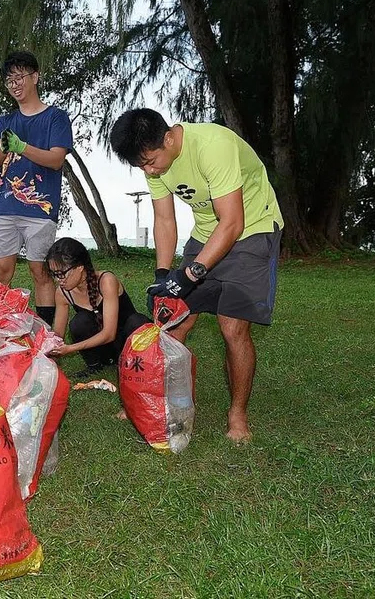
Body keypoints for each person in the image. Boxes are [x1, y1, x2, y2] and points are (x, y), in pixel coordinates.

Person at [109, 108, 284, 442]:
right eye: (141, 166)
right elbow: (164, 220)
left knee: (232, 327)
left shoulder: (212, 145)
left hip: (253, 230)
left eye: (150, 161)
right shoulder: (153, 162)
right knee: (175, 318)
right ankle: (167, 404)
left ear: (169, 137)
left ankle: (237, 414)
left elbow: (233, 222)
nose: (149, 170)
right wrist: (164, 275)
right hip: (207, 234)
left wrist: (190, 274)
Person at [0, 51, 73, 324]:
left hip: (40, 207)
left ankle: (45, 332)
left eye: (20, 77)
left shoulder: (56, 118)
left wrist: (22, 146)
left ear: (35, 77)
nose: (15, 84)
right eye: (9, 80)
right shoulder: (4, 121)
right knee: (2, 269)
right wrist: (5, 148)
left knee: (40, 271)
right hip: (3, 205)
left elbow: (56, 160)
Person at [45, 238, 151, 377]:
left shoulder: (106, 281)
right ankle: (95, 365)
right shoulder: (62, 293)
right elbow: (58, 336)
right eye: (54, 274)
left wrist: (70, 348)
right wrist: (48, 355)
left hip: (126, 343)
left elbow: (109, 334)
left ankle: (135, 363)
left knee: (138, 322)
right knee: (79, 322)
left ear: (79, 267)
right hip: (103, 349)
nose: (58, 280)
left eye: (61, 274)